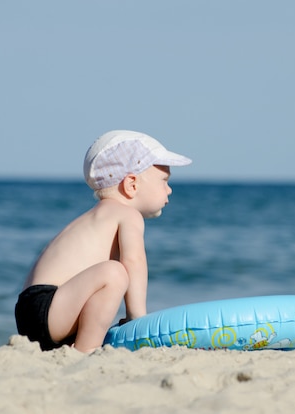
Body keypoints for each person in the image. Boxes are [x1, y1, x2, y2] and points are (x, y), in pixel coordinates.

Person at [14, 130, 192, 352]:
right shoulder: (127, 214)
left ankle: (74, 344)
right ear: (132, 185)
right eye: (164, 181)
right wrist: (137, 318)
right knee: (115, 273)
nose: (170, 189)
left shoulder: (98, 216)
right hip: (47, 307)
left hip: (33, 310)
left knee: (109, 275)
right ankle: (86, 349)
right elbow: (134, 261)